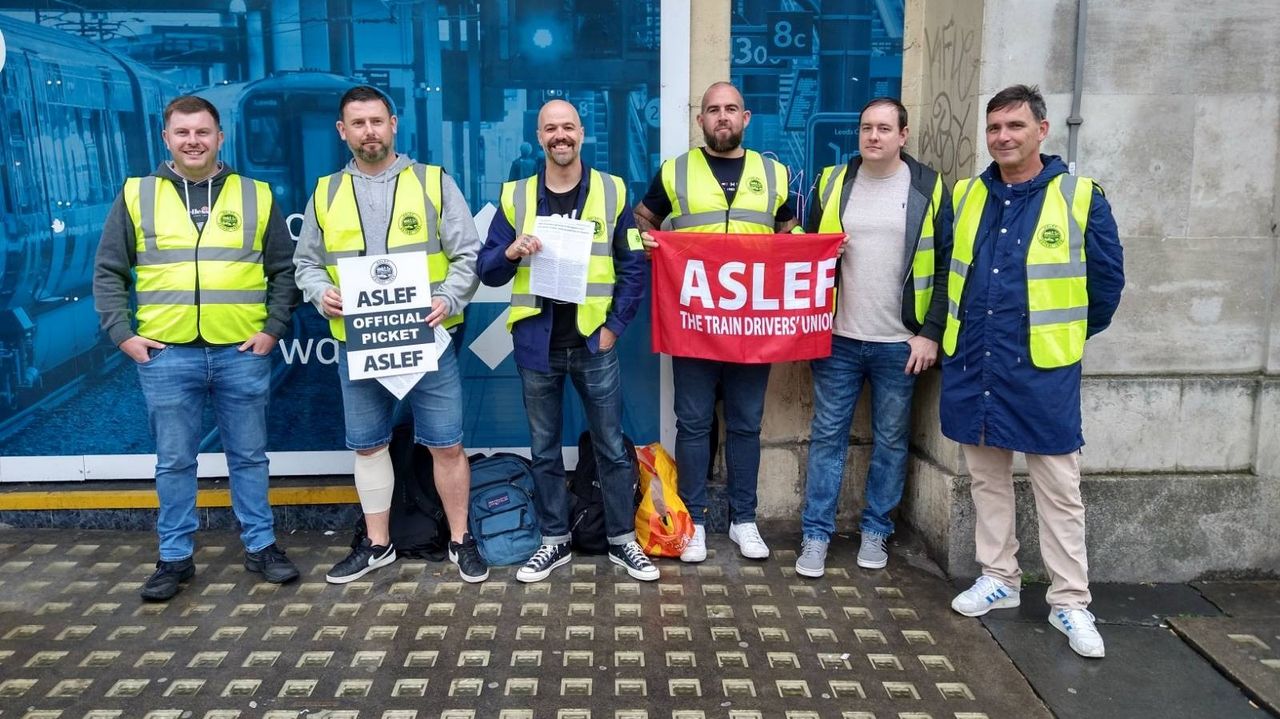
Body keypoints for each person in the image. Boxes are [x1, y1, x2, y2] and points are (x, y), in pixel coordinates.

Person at [94, 95, 301, 601]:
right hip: (167, 353)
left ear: (219, 137)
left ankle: (261, 546)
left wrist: (273, 329)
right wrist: (123, 334)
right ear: (166, 138)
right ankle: (174, 558)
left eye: (203, 132)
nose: (193, 141)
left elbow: (284, 271)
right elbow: (109, 271)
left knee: (249, 458)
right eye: (183, 132)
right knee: (174, 462)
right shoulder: (137, 194)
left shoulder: (255, 194)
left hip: (240, 350)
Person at [942, 85, 1124, 659]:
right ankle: (999, 577)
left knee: (1059, 488)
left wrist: (1062, 336)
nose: (1003, 137)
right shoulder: (967, 194)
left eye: (1015, 126)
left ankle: (1070, 601)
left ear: (1042, 130)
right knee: (986, 479)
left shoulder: (1079, 196)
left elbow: (1106, 287)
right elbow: (949, 270)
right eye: (994, 127)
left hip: (1044, 368)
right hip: (977, 358)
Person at [293, 85, 487, 585]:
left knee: (446, 444)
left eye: (376, 121)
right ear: (343, 131)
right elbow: (305, 263)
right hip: (359, 341)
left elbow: (468, 254)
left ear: (393, 124)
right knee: (368, 445)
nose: (369, 132)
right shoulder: (326, 192)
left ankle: (461, 540)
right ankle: (377, 545)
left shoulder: (433, 182)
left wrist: (448, 298)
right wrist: (319, 293)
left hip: (427, 338)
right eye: (358, 124)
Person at [477, 99, 657, 582]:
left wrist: (614, 327)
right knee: (544, 451)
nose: (561, 135)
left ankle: (622, 540)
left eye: (568, 127)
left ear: (581, 133)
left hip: (593, 343)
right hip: (537, 346)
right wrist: (511, 251)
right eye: (551, 128)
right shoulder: (516, 195)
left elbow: (633, 265)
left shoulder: (612, 191)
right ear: (539, 137)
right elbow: (486, 269)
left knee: (612, 447)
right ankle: (554, 540)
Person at [635, 81, 798, 562]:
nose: (722, 116)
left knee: (746, 424)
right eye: (712, 109)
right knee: (693, 423)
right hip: (694, 321)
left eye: (730, 109)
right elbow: (643, 218)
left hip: (753, 324)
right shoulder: (675, 171)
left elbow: (789, 232)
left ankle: (744, 520)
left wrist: (813, 249)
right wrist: (648, 241)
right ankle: (695, 522)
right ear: (700, 119)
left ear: (745, 118)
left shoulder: (773, 173)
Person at [795, 97, 952, 578]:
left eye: (884, 128)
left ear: (903, 135)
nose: (873, 136)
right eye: (866, 127)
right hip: (838, 337)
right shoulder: (833, 182)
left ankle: (876, 529)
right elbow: (804, 253)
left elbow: (947, 265)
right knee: (827, 438)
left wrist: (930, 333)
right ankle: (816, 534)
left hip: (900, 343)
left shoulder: (928, 186)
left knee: (890, 441)